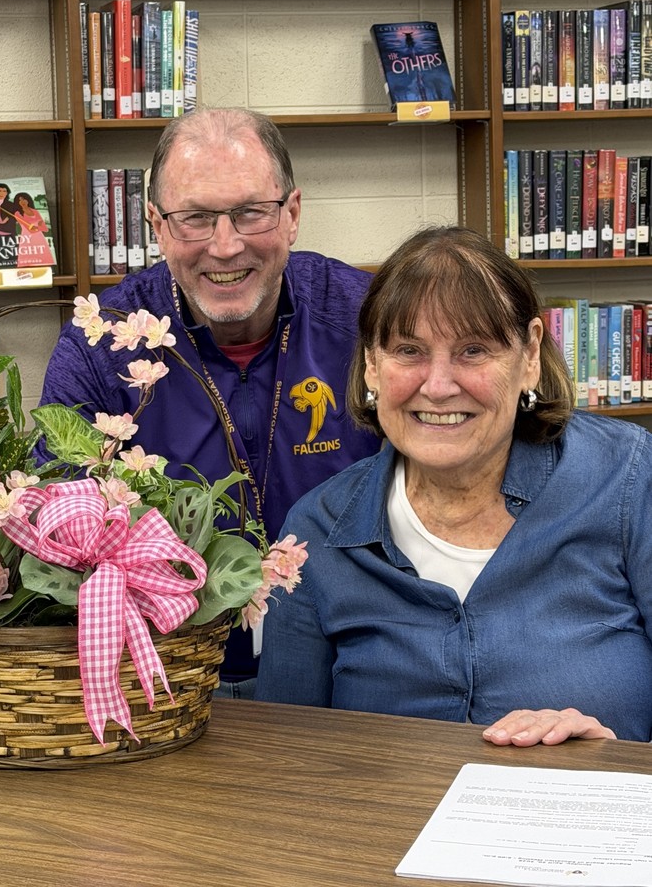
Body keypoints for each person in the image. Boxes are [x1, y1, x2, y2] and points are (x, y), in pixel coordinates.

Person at [255, 225, 652, 745]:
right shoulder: (316, 530)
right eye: (409, 351)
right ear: (372, 364)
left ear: (530, 354)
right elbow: (286, 750)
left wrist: (618, 765)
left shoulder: (628, 479)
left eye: (473, 350)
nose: (438, 387)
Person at [36, 107, 380, 692]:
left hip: (353, 669)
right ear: (157, 225)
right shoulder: (98, 347)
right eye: (195, 217)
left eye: (251, 212)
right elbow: (60, 535)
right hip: (170, 675)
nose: (225, 246)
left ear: (292, 214)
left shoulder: (367, 318)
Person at [12, 191, 55, 267]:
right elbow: (30, 229)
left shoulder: (35, 211)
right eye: (20, 200)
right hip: (27, 239)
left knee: (44, 261)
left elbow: (45, 229)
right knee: (27, 262)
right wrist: (38, 225)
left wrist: (36, 227)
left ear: (28, 200)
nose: (22, 202)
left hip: (39, 238)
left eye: (24, 199)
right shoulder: (17, 214)